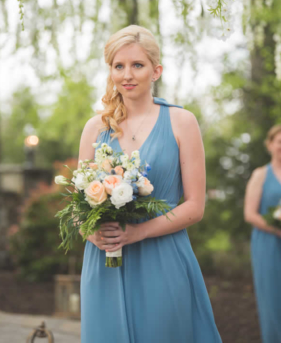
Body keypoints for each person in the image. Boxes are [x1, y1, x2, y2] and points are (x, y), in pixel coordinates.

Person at [78, 25, 222, 343]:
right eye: (119, 66)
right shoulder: (94, 129)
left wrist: (136, 233)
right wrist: (92, 232)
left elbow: (195, 206)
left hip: (162, 256)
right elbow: (78, 209)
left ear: (156, 70)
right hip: (105, 264)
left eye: (137, 65)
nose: (127, 74)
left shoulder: (182, 122)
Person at [244, 124, 281, 343]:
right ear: (270, 144)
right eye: (280, 141)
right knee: (273, 299)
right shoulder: (260, 174)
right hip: (269, 245)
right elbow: (250, 215)